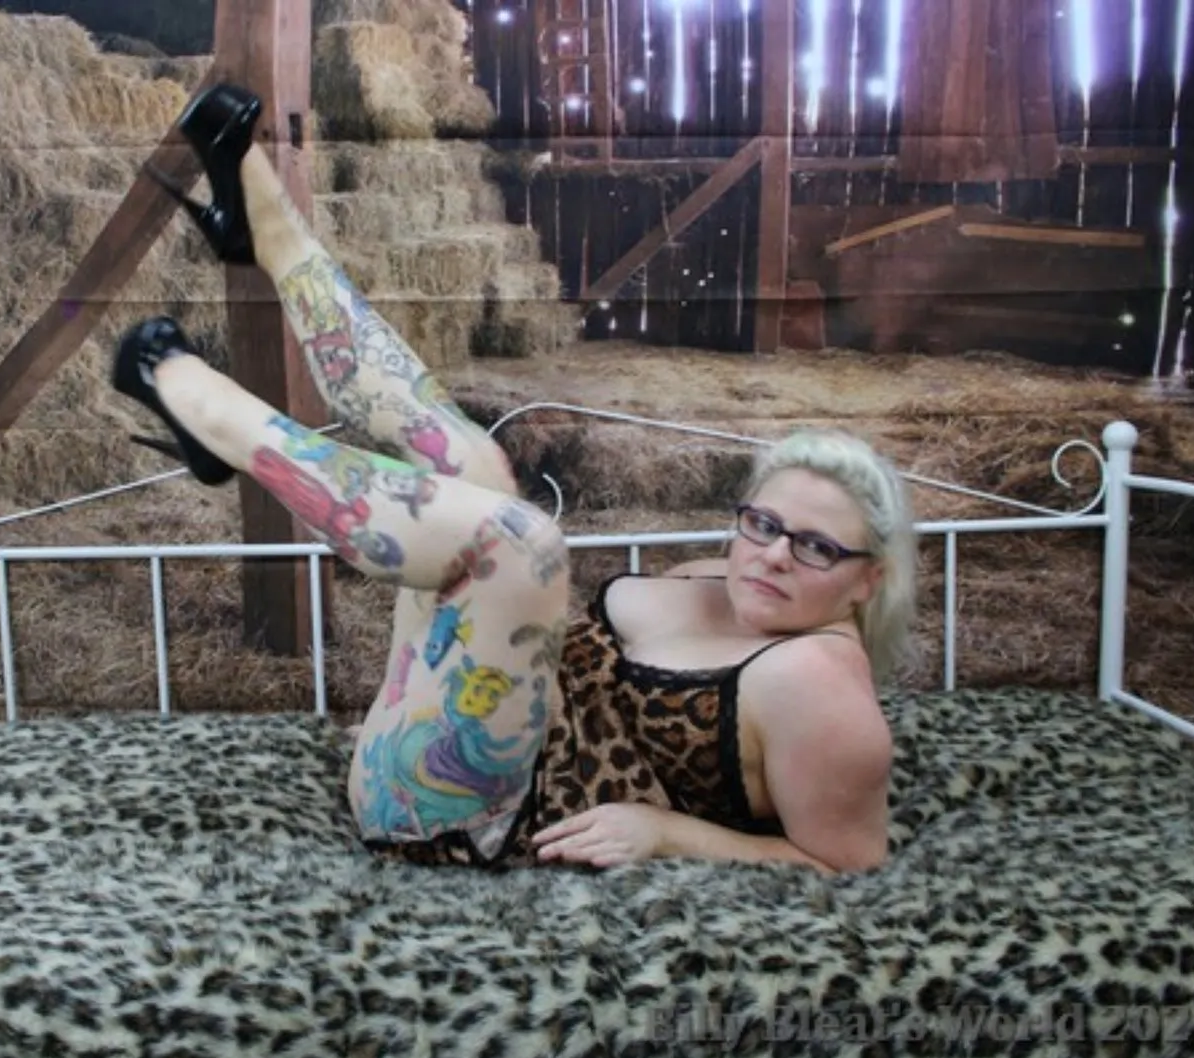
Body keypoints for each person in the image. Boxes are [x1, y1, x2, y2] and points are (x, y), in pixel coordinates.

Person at [113, 83, 918, 876]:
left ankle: (197, 402)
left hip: (459, 814)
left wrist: (665, 831)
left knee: (521, 545)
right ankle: (273, 239)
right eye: (764, 524)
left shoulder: (827, 691)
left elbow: (846, 860)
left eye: (816, 547)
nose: (773, 554)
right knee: (475, 465)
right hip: (448, 726)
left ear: (868, 579)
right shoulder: (733, 582)